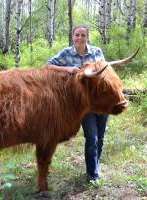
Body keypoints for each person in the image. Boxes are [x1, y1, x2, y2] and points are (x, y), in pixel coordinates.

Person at [46, 24, 108, 181]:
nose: (80, 38)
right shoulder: (66, 53)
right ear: (72, 37)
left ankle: (95, 165)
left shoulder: (96, 51)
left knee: (100, 137)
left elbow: (105, 71)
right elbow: (48, 66)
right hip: (84, 104)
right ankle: (92, 175)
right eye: (77, 35)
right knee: (92, 138)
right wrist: (67, 69)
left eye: (83, 35)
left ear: (87, 37)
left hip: (101, 100)